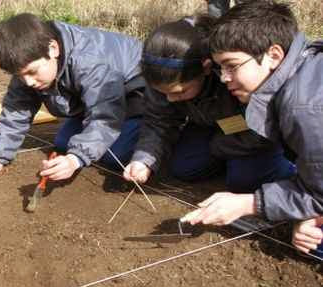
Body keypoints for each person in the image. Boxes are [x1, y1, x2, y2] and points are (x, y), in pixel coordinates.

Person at [183, 1, 323, 257]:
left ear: (274, 55)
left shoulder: (305, 109)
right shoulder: (307, 68)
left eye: (232, 65)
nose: (224, 78)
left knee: (314, 241)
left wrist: (250, 203)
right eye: (220, 68)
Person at [123, 16, 295, 194]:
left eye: (180, 92)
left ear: (205, 68)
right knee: (185, 167)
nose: (171, 99)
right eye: (164, 92)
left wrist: (218, 144)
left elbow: (258, 126)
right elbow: (157, 121)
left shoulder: (234, 76)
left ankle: (286, 168)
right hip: (216, 125)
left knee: (243, 179)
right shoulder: (160, 72)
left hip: (248, 128)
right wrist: (143, 161)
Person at [0, 13, 145, 181]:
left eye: (32, 72)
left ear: (53, 49)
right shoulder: (30, 59)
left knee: (116, 155)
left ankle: (155, 138)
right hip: (98, 97)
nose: (29, 82)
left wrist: (75, 160)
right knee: (64, 141)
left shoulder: (90, 62)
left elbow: (105, 117)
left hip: (136, 91)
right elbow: (16, 109)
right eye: (20, 76)